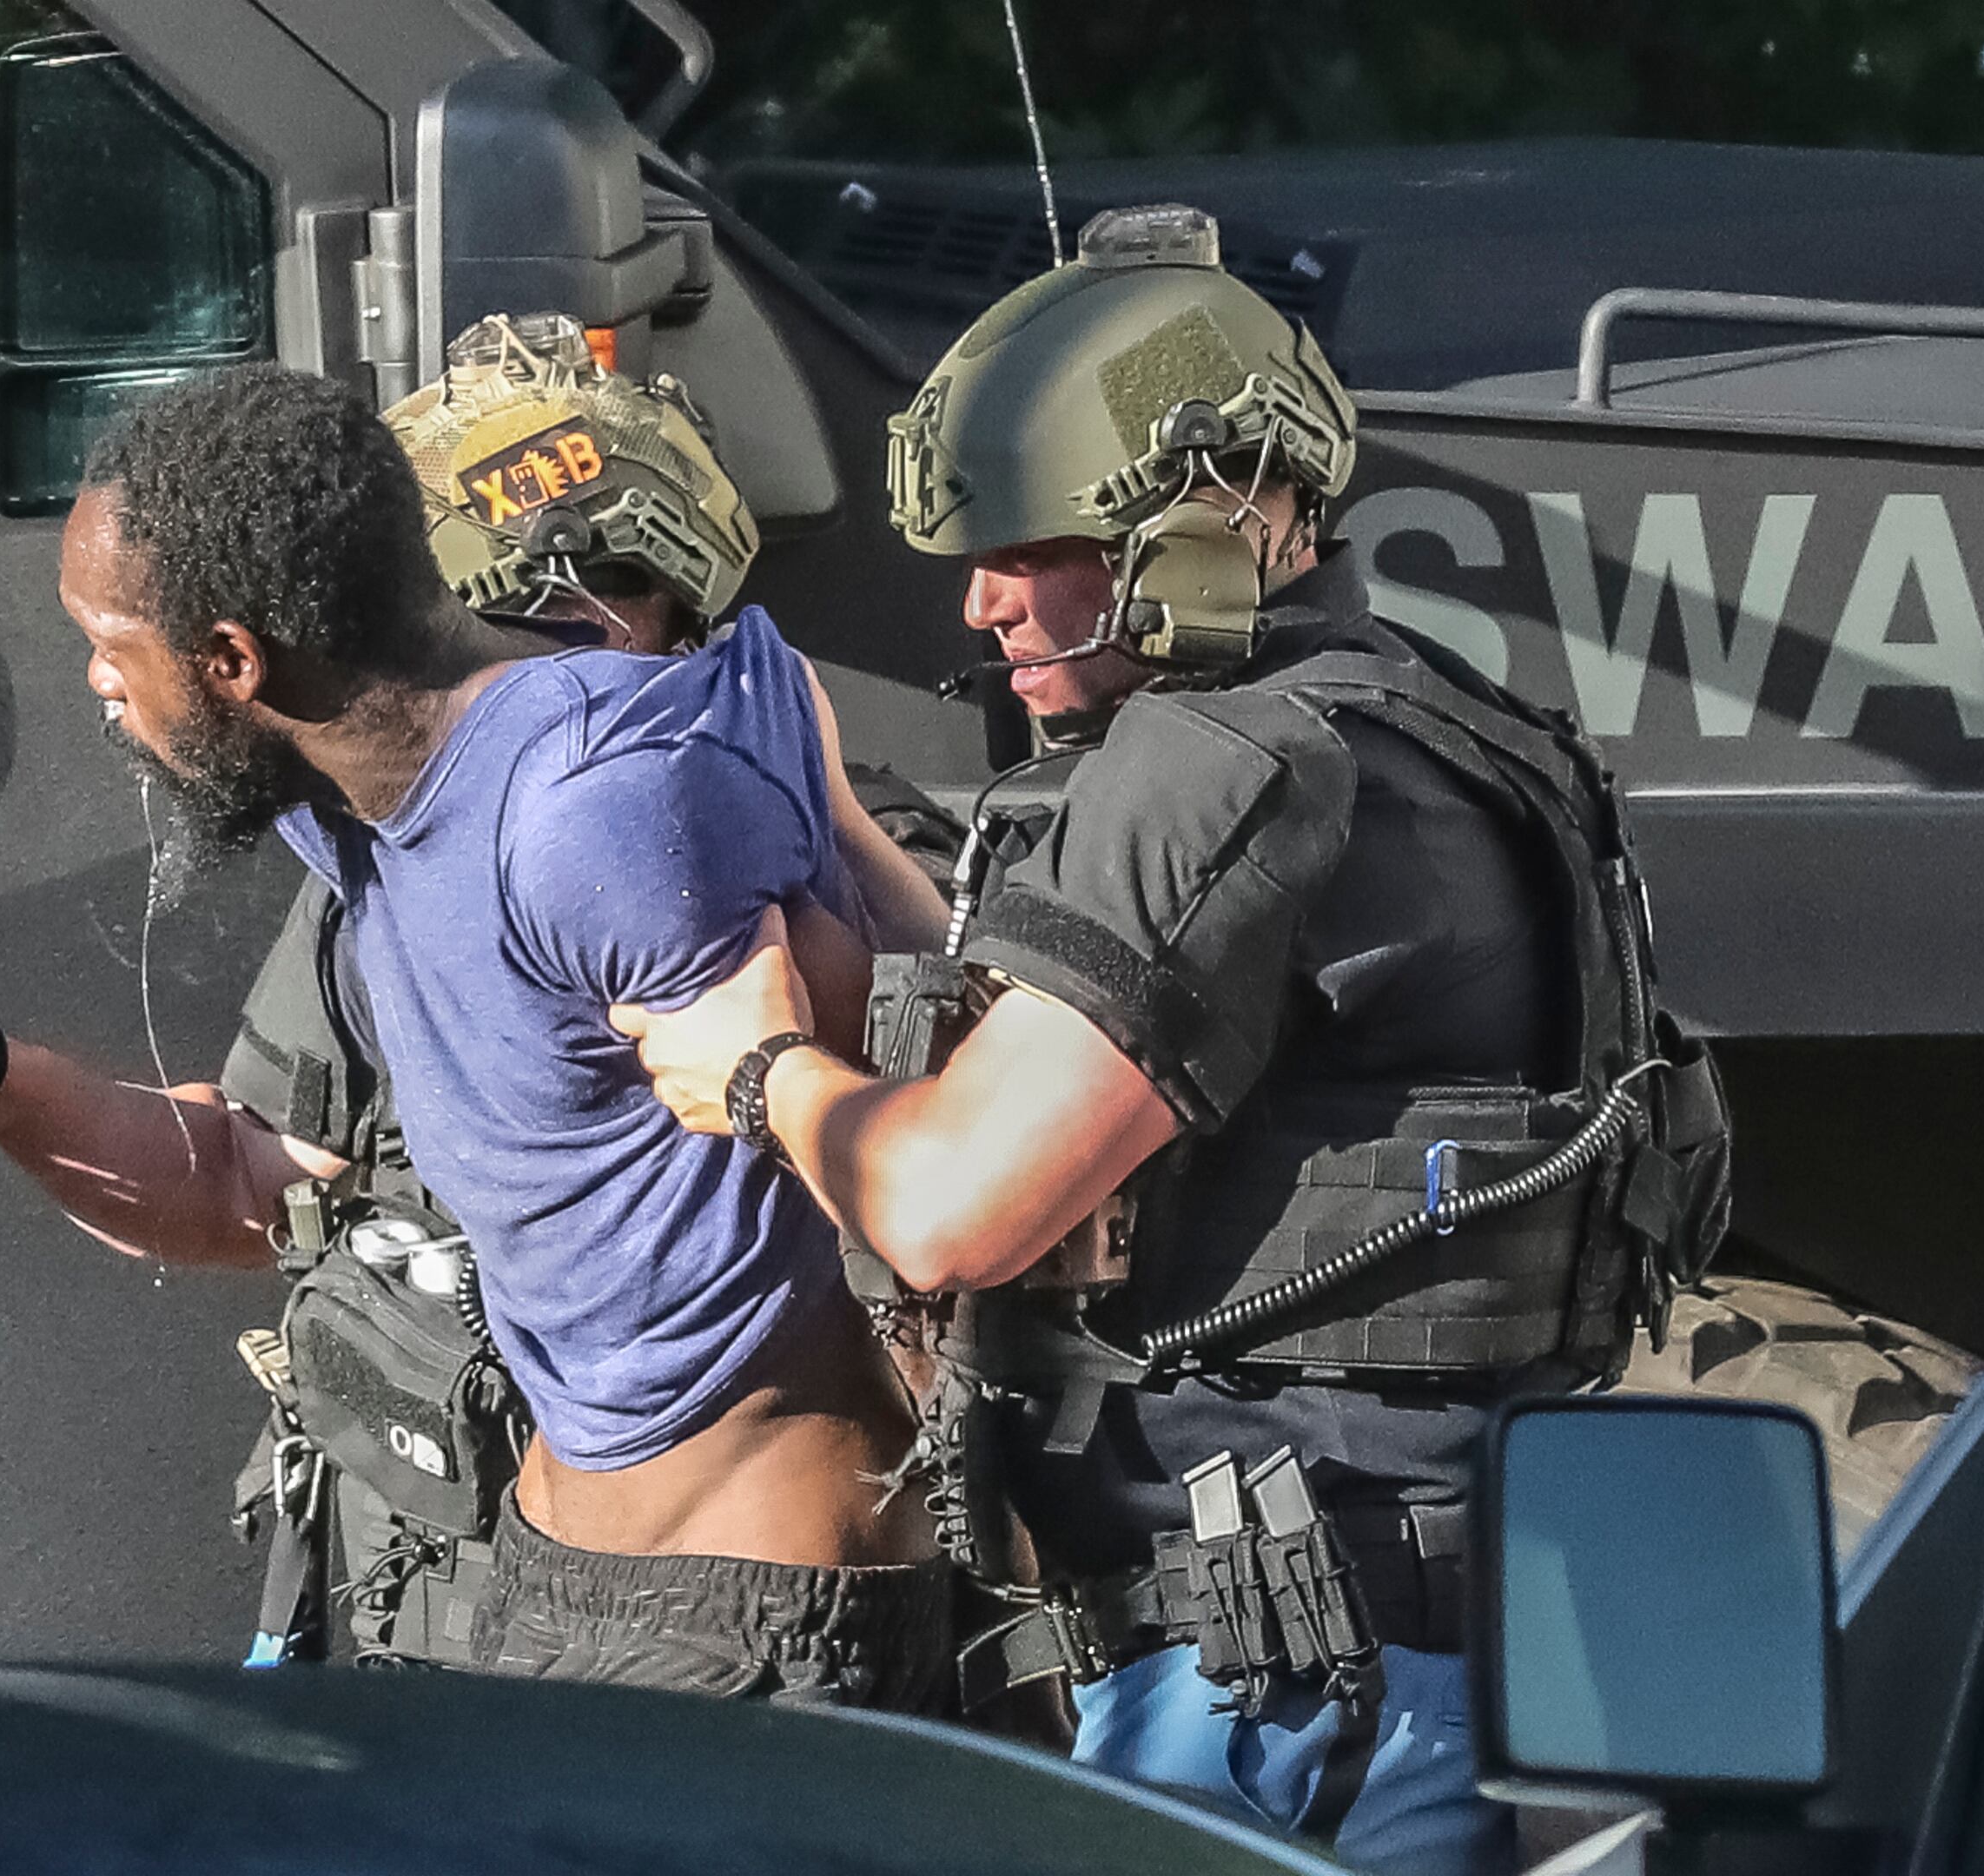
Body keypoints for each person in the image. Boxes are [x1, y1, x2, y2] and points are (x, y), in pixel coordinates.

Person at [614, 207, 1732, 1866]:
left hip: (1278, 1686)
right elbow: (1077, 1038)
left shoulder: (1218, 764)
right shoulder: (1448, 725)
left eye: (1031, 546)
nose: (984, 604)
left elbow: (955, 1208)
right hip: (1430, 1629)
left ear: (1217, 509)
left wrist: (764, 1075)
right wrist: (832, 807)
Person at [0, 356, 953, 1709]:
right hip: (548, 1586)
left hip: (749, 1620)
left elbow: (917, 1206)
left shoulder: (597, 814)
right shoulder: (360, 821)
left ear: (238, 659)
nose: (95, 688)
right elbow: (243, 1186)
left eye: (112, 645)